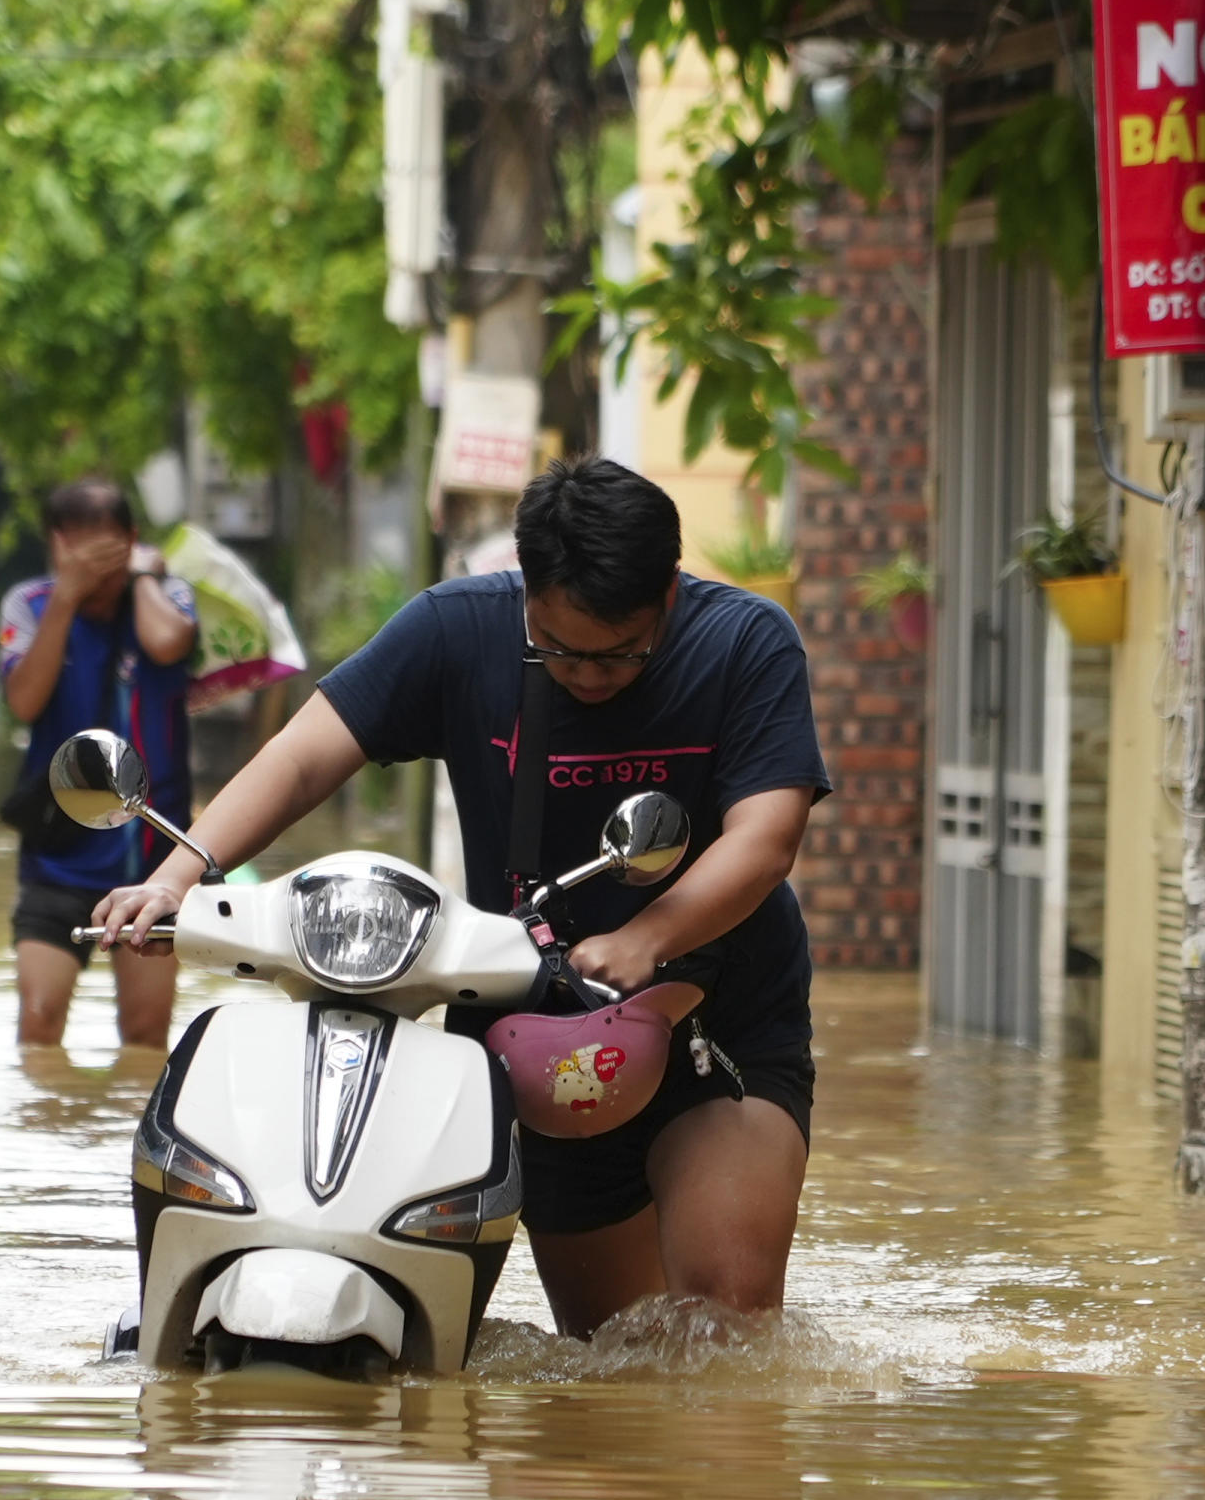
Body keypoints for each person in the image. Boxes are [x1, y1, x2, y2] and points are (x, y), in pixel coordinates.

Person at [88, 457, 830, 1339]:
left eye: (620, 652)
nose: (588, 676)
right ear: (526, 594)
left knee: (723, 1324)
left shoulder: (746, 643)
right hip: (534, 1030)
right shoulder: (456, 630)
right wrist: (179, 873)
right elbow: (303, 756)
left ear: (670, 593)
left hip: (715, 1011)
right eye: (558, 650)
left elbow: (766, 837)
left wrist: (648, 935)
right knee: (610, 1358)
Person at [0, 476, 199, 1049]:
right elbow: (23, 700)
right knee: (38, 1025)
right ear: (57, 545)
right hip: (59, 855)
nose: (95, 566)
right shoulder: (30, 605)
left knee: (144, 1037)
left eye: (107, 549)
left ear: (131, 541)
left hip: (152, 862)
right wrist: (67, 595)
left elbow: (168, 644)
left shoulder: (168, 595)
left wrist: (138, 577)